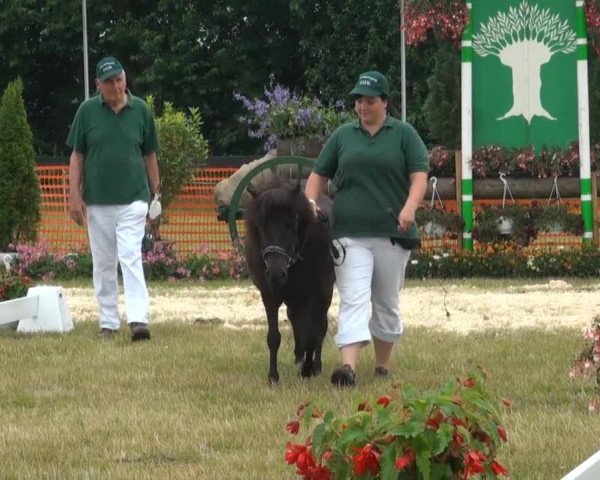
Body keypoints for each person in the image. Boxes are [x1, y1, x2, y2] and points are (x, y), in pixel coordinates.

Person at [304, 71, 429, 386]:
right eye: (358, 100)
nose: (362, 106)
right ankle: (348, 369)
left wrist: (410, 207)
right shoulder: (343, 136)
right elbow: (318, 176)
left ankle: (383, 365)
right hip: (349, 233)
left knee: (386, 301)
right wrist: (309, 200)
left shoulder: (404, 134)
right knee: (353, 298)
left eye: (370, 100)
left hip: (392, 234)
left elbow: (419, 176)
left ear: (385, 102)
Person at [66, 56, 160, 342]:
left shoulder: (141, 110)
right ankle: (108, 323)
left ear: (125, 79)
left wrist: (157, 195)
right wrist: (73, 195)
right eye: (109, 82)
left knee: (130, 255)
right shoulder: (86, 112)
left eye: (119, 79)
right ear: (98, 85)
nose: (116, 86)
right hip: (97, 201)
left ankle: (138, 321)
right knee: (104, 263)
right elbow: (77, 155)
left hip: (134, 199)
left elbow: (150, 154)